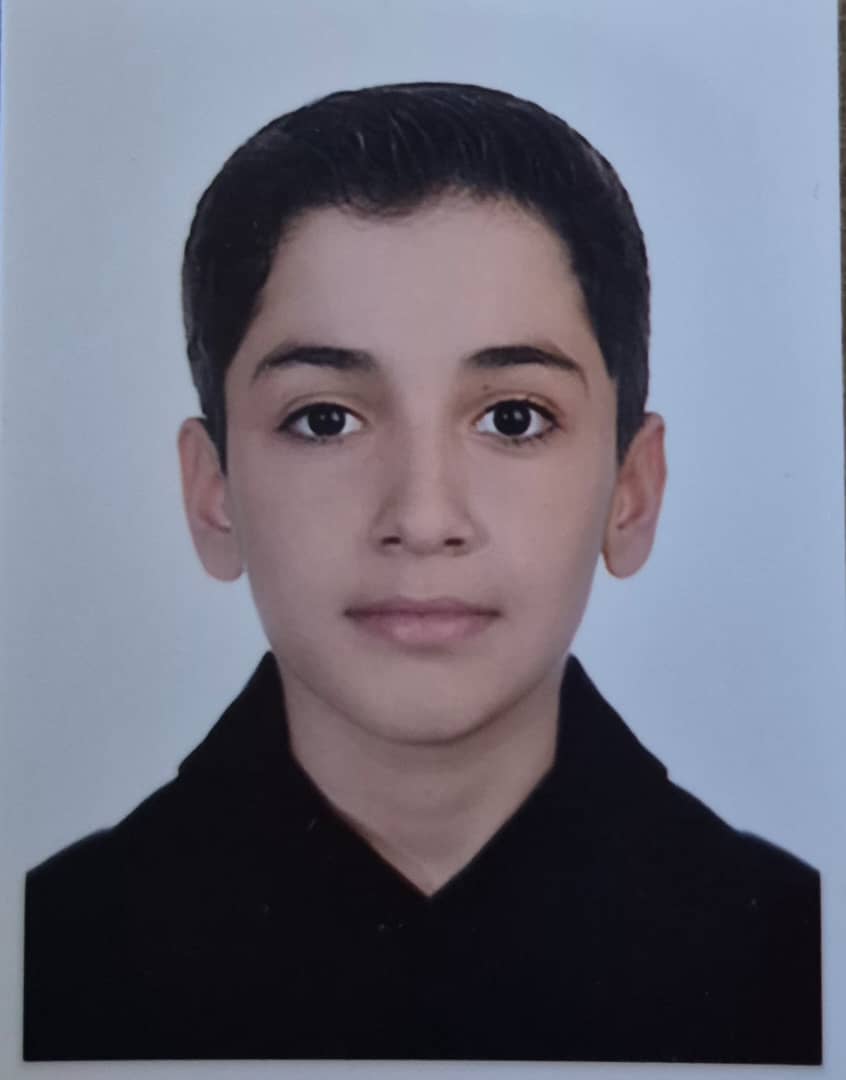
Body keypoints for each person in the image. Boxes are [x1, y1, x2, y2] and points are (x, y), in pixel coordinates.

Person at [23, 82, 821, 1064]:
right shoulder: (46, 964)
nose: (423, 517)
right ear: (213, 493)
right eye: (325, 419)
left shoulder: (801, 964)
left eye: (513, 418)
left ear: (631, 491)